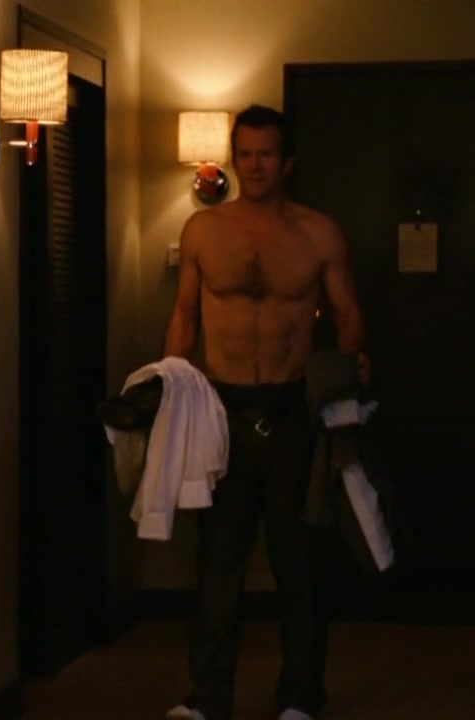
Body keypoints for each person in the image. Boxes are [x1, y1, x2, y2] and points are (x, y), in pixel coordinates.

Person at [163, 104, 368, 720]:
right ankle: (208, 700)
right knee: (217, 562)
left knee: (297, 561)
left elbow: (348, 315)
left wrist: (347, 373)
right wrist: (170, 385)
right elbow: (185, 316)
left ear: (287, 162)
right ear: (235, 159)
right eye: (245, 154)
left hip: (291, 412)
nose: (254, 166)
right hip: (219, 409)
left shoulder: (318, 234)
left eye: (266, 155)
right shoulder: (203, 231)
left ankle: (300, 699)